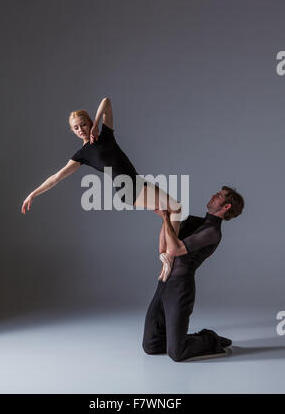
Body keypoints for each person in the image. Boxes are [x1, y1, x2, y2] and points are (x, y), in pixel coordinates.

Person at [21, 97, 182, 275]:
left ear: (89, 122)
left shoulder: (106, 134)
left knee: (169, 213)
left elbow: (106, 102)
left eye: (83, 124)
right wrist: (33, 194)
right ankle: (170, 258)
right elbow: (56, 177)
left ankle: (165, 262)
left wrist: (97, 124)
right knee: (175, 208)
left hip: (138, 181)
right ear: (72, 131)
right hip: (128, 189)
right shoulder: (82, 155)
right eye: (76, 128)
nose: (80, 130)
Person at [142, 186, 244, 362]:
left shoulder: (213, 232)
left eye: (219, 196)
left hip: (180, 288)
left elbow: (174, 250)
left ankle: (210, 338)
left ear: (226, 207)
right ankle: (177, 338)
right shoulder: (194, 221)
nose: (213, 195)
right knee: (151, 346)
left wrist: (167, 217)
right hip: (165, 281)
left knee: (177, 353)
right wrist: (165, 218)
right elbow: (165, 245)